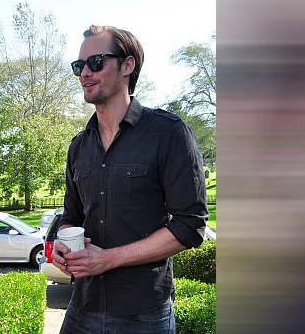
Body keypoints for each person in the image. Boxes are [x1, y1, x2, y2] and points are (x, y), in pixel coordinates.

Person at [51, 25, 209, 333]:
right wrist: (62, 242)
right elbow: (71, 218)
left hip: (144, 314)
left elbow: (190, 225)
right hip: (82, 306)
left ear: (128, 65)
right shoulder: (78, 147)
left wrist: (109, 259)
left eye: (95, 62)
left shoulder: (168, 133)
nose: (85, 73)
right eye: (78, 66)